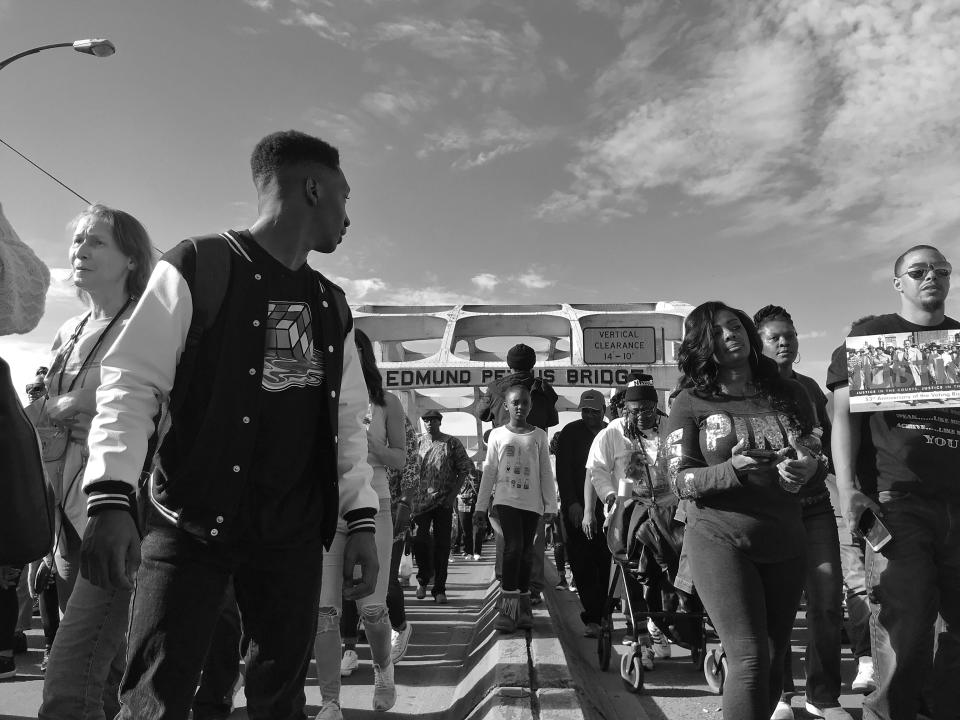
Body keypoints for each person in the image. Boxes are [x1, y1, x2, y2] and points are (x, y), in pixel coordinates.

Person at [78, 130, 380, 720]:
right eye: (344, 196)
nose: (349, 216)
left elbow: (345, 423)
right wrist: (109, 499)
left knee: (278, 700)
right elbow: (132, 383)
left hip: (289, 536)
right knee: (155, 698)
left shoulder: (330, 305)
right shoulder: (199, 264)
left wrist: (360, 518)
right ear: (312, 188)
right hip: (188, 526)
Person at [662, 301, 822, 720]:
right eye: (716, 331)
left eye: (735, 326)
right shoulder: (689, 402)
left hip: (786, 538)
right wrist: (730, 470)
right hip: (720, 539)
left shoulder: (791, 393)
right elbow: (679, 481)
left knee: (772, 654)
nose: (729, 334)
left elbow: (814, 451)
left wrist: (807, 465)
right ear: (702, 345)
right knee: (749, 656)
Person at [829, 245, 960, 720]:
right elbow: (843, 417)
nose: (932, 277)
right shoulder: (873, 336)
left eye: (941, 270)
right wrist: (847, 489)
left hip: (957, 503)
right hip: (896, 501)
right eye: (919, 270)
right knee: (903, 626)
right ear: (898, 282)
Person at [34, 205, 155, 719]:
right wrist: (66, 407)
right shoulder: (69, 330)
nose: (79, 250)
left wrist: (63, 407)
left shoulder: (147, 325)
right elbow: (41, 411)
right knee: (103, 668)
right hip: (62, 513)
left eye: (96, 241)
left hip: (116, 511)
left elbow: (138, 408)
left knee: (70, 677)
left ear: (131, 258)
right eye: (78, 240)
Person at [753, 304, 851, 720]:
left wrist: (818, 466)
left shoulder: (812, 389)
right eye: (774, 336)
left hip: (813, 509)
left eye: (789, 335)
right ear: (758, 343)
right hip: (769, 513)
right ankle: (780, 695)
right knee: (776, 608)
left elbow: (829, 447)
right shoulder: (749, 389)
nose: (784, 342)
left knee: (827, 601)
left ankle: (824, 696)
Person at [315, 328, 404, 717]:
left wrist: (373, 447)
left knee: (372, 608)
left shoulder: (388, 403)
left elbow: (401, 458)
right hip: (327, 508)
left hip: (376, 507)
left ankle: (384, 670)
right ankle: (330, 702)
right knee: (325, 612)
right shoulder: (319, 395)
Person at [587, 383, 673, 667]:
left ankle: (664, 624)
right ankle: (642, 639)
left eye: (649, 410)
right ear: (624, 409)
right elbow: (597, 470)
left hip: (667, 504)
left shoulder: (671, 428)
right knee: (634, 562)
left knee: (676, 561)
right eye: (636, 411)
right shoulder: (612, 433)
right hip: (627, 502)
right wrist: (610, 497)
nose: (643, 417)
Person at [474, 385, 558, 633]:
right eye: (515, 403)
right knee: (513, 548)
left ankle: (523, 608)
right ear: (507, 406)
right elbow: (489, 471)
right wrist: (480, 507)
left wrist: (550, 505)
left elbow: (545, 471)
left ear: (530, 406)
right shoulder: (498, 435)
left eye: (524, 402)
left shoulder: (540, 436)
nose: (520, 406)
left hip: (532, 504)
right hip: (505, 500)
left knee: (526, 552)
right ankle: (507, 611)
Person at [554, 390, 608, 636]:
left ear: (603, 411)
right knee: (582, 563)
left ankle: (606, 611)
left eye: (594, 411)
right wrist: (572, 504)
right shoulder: (570, 433)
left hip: (608, 510)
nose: (589, 416)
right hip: (577, 510)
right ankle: (593, 618)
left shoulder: (612, 432)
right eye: (585, 411)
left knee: (607, 563)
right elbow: (563, 472)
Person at [412, 409, 473, 604]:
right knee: (419, 540)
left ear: (440, 422)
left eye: (433, 420)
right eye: (426, 420)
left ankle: (439, 589)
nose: (429, 423)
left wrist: (452, 496)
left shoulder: (451, 443)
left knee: (442, 546)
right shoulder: (417, 442)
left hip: (443, 502)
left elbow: (464, 470)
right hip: (420, 503)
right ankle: (423, 577)